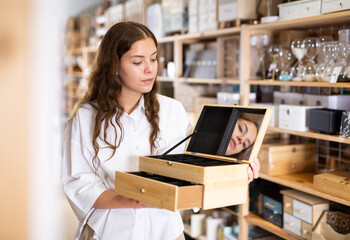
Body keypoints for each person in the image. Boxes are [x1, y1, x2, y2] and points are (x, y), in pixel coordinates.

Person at [62, 21, 260, 240]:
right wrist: (133, 200)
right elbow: (79, 183)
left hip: (165, 231)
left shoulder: (172, 110)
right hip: (110, 230)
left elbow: (194, 166)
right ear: (114, 66)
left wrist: (239, 167)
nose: (150, 69)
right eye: (138, 61)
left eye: (154, 58)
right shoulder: (86, 117)